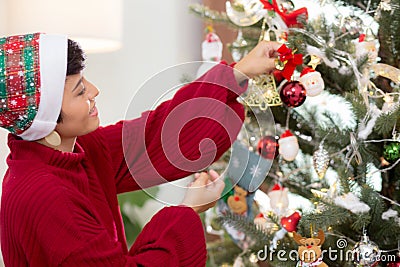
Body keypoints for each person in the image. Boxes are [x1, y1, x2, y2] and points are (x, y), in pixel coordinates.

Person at [0, 32, 280, 266]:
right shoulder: (46, 198)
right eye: (79, 91)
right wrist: (187, 211)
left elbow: (156, 134)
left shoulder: (76, 151)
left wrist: (238, 72)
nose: (94, 91)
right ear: (46, 116)